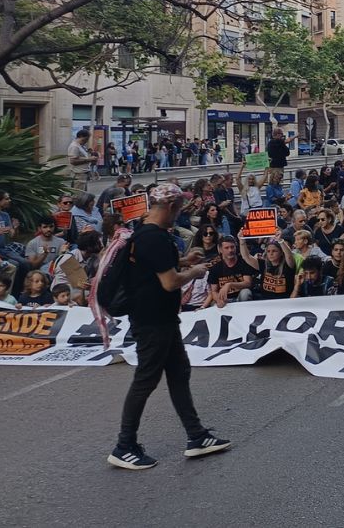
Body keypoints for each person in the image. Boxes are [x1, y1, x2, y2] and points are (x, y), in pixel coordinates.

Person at [110, 184, 229, 470]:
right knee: (145, 380)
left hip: (161, 318)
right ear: (171, 207)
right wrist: (195, 271)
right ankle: (124, 445)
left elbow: (155, 266)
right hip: (152, 320)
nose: (183, 212)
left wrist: (183, 260)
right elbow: (170, 282)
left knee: (179, 373)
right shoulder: (156, 239)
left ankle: (196, 435)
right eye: (180, 207)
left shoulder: (145, 232)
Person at [204, 236, 258, 307]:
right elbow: (214, 291)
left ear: (236, 247)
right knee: (214, 304)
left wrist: (230, 284)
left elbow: (248, 283)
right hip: (224, 299)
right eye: (226, 248)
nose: (230, 250)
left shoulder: (243, 262)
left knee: (246, 292)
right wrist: (219, 300)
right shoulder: (215, 267)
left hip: (240, 296)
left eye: (232, 247)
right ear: (220, 249)